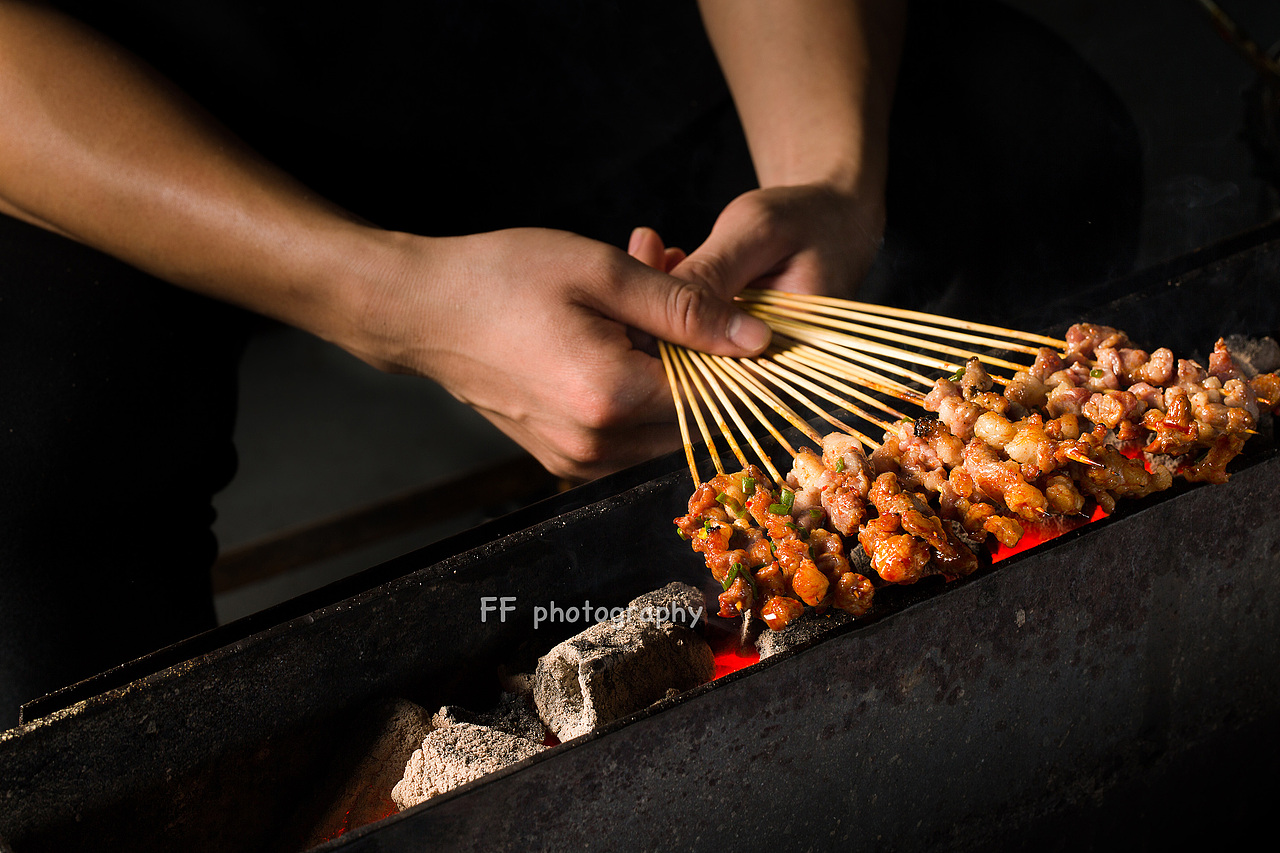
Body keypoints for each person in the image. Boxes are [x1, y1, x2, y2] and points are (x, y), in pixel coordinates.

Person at [0, 0, 1140, 726]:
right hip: (124, 104)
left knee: (1020, 142)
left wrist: (830, 177)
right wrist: (379, 297)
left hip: (585, 44)